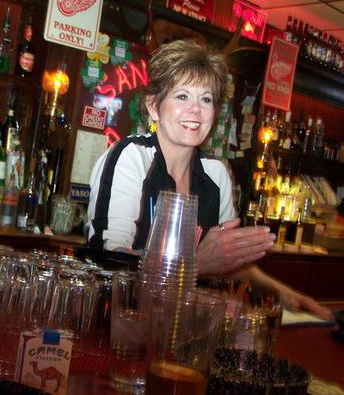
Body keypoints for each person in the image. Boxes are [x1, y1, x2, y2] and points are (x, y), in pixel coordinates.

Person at [86, 39, 331, 319]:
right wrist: (194, 264)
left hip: (179, 326)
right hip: (120, 322)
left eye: (206, 99)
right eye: (182, 96)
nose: (195, 109)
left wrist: (285, 293)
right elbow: (110, 261)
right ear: (154, 106)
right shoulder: (131, 157)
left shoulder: (216, 175)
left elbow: (231, 264)